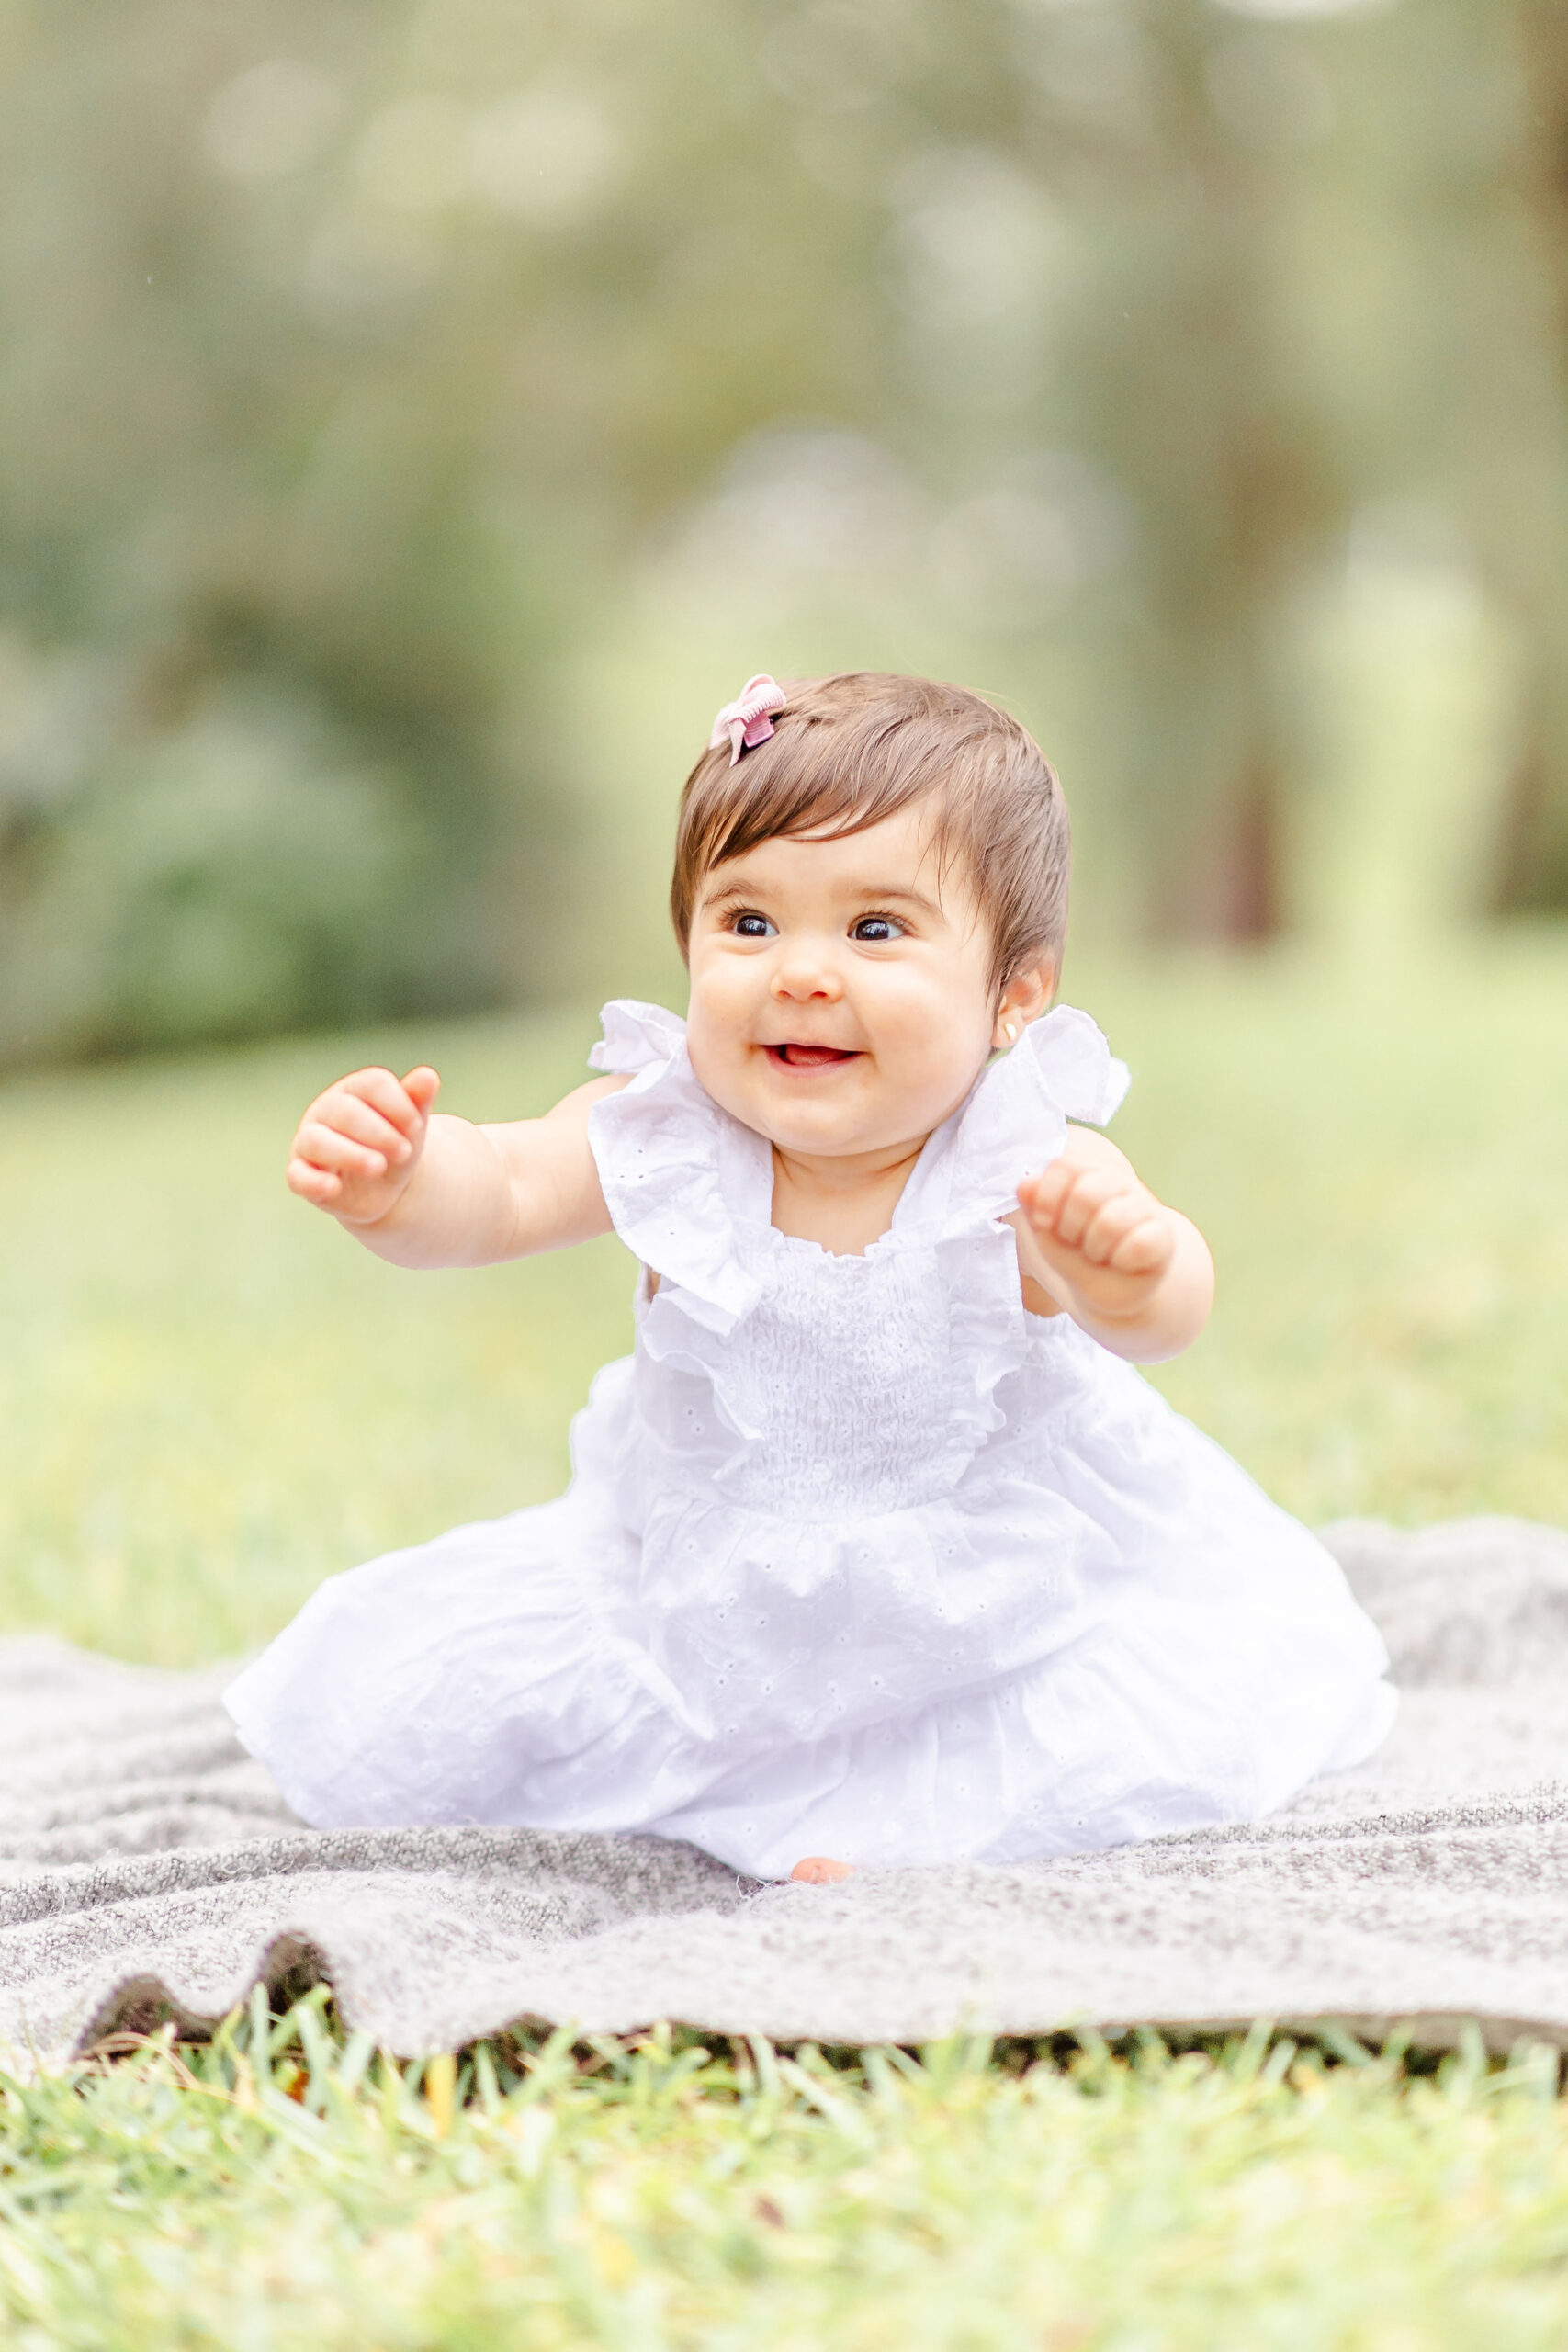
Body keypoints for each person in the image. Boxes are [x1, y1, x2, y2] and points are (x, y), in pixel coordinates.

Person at [225, 670, 1394, 1883]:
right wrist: (404, 1181)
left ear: (1016, 994)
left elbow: (1162, 1312)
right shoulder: (665, 1129)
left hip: (989, 1618)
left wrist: (1127, 1261)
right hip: (696, 1614)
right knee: (432, 1702)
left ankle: (898, 1837)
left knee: (1112, 1751)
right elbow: (505, 1191)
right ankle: (744, 1797)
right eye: (748, 923)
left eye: (875, 929)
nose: (802, 972)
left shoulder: (1019, 1159)